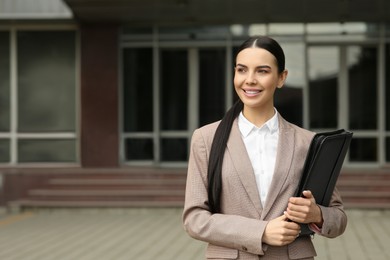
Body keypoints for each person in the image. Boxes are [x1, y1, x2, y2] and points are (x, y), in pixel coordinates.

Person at [182, 35, 347, 259]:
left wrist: (316, 214)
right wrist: (261, 232)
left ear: (281, 78)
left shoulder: (307, 142)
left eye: (262, 71)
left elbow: (338, 217)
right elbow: (195, 219)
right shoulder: (205, 138)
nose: (249, 80)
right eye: (241, 70)